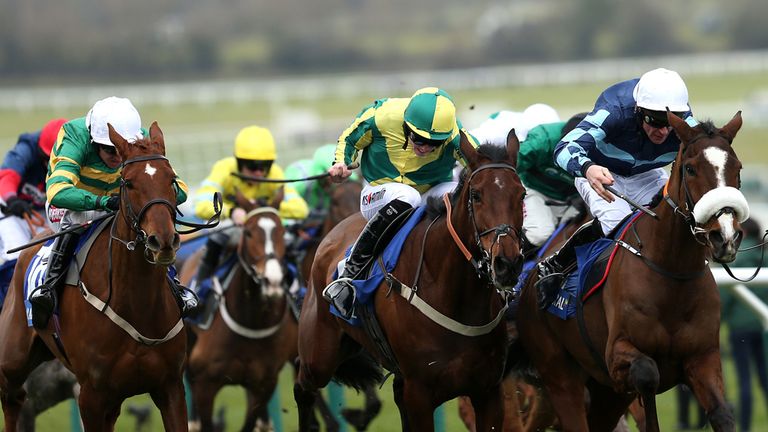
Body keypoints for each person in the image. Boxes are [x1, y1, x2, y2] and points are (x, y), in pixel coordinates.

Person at [536, 68, 697, 306]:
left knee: (673, 215)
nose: (663, 131)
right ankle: (557, 262)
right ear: (638, 111)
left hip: (645, 173)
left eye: (670, 123)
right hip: (599, 169)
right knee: (618, 219)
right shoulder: (615, 109)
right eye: (654, 121)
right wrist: (588, 169)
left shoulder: (685, 121)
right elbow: (564, 148)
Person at [29, 97, 195, 329]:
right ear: (95, 141)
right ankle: (49, 287)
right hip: (72, 205)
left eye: (121, 149)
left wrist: (153, 199)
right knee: (81, 219)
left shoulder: (142, 138)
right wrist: (102, 201)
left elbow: (181, 190)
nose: (117, 157)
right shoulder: (74, 135)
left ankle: (174, 285)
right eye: (109, 149)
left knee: (153, 224)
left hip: (122, 203)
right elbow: (57, 192)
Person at [322, 86, 479, 319]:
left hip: (430, 191)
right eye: (418, 137)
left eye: (433, 143)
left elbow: (482, 162)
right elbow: (350, 137)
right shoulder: (382, 116)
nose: (424, 147)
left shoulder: (455, 134)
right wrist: (340, 162)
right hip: (378, 193)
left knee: (455, 195)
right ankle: (351, 272)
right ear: (406, 124)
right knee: (408, 197)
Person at [191, 125, 309, 305]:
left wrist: (261, 210)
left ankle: (299, 294)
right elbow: (200, 205)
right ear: (238, 162)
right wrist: (230, 211)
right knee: (219, 238)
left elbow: (300, 208)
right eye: (252, 166)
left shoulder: (275, 173)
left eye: (265, 166)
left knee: (287, 242)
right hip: (232, 225)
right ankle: (197, 292)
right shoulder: (223, 169)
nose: (259, 172)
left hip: (261, 227)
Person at [719, 217, 768, 432]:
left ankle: (745, 427)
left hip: (740, 328)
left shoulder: (737, 258)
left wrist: (722, 318)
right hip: (763, 326)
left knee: (744, 381)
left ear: (743, 233)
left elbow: (724, 299)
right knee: (765, 379)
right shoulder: (764, 256)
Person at [0, 118, 67, 265]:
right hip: (11, 207)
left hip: (43, 210)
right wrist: (12, 200)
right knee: (16, 257)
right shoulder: (26, 148)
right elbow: (6, 176)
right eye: (49, 160)